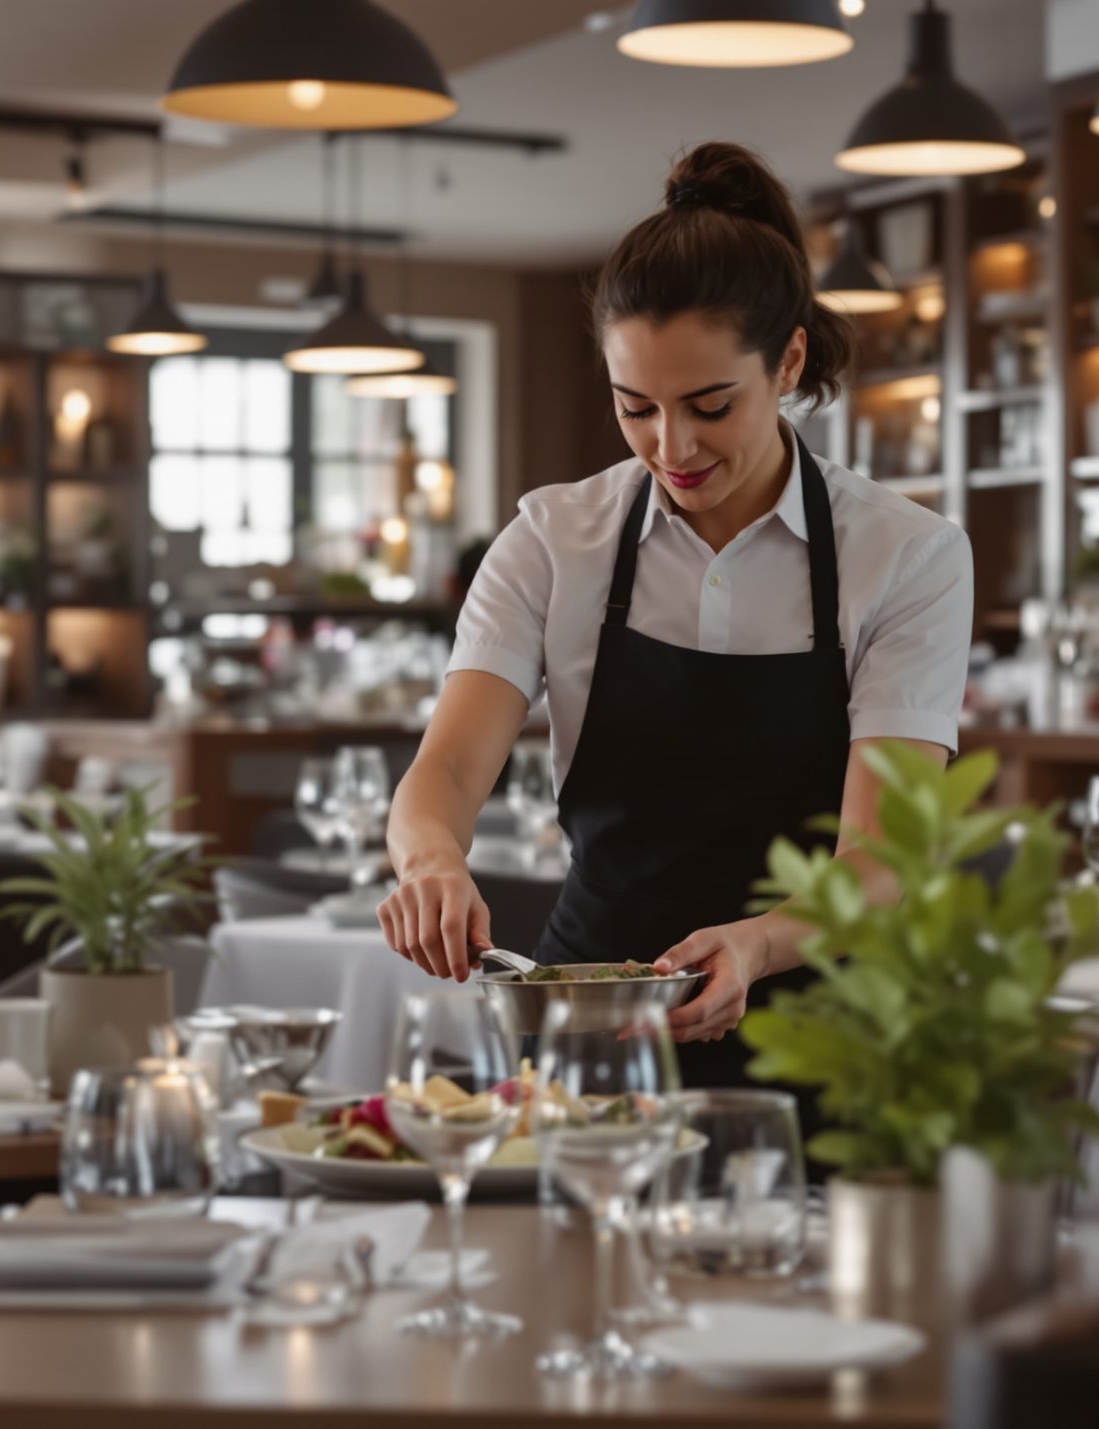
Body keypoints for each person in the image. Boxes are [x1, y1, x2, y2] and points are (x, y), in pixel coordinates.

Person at [377, 141, 971, 1087]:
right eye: (636, 408)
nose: (673, 446)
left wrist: (760, 945)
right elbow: (442, 770)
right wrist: (431, 861)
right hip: (590, 1026)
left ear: (789, 362)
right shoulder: (551, 539)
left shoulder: (904, 555)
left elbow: (880, 860)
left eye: (708, 405)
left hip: (828, 1035)